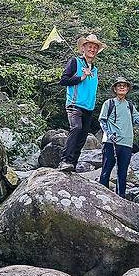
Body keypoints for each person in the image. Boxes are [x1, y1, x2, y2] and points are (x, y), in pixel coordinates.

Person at [57, 34, 105, 172]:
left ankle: (73, 164)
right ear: (83, 48)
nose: (92, 49)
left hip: (88, 108)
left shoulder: (95, 69)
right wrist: (81, 77)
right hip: (74, 104)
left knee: (82, 137)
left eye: (95, 47)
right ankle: (65, 161)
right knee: (76, 128)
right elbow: (63, 80)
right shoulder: (75, 62)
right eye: (90, 46)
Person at [98, 77, 139, 198]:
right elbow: (102, 121)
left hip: (127, 142)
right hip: (110, 142)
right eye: (119, 85)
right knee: (106, 169)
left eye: (124, 85)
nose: (122, 87)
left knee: (123, 172)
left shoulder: (130, 105)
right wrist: (108, 133)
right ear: (115, 88)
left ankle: (121, 197)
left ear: (128, 89)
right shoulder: (109, 103)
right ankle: (102, 195)